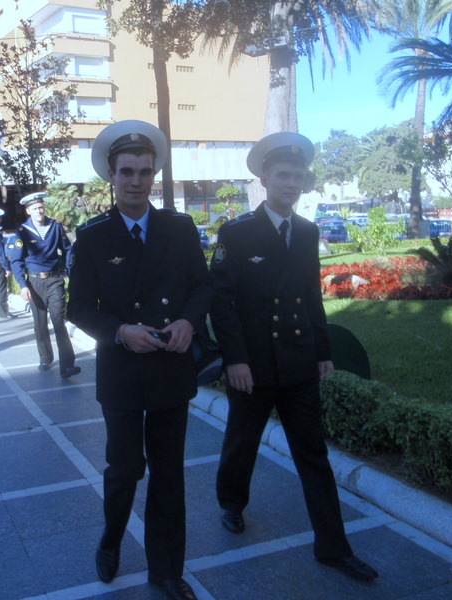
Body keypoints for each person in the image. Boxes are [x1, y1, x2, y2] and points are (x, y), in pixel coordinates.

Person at [209, 132, 379, 582]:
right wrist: (234, 359)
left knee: (313, 454)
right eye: (283, 176)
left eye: (298, 177)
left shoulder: (306, 231)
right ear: (264, 180)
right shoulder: (237, 232)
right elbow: (221, 302)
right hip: (253, 365)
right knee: (242, 440)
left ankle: (334, 547)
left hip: (299, 360)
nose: (291, 184)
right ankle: (231, 502)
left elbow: (310, 296)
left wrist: (323, 351)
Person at [67, 120, 213, 600]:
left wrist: (189, 321)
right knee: (124, 467)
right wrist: (120, 331)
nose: (136, 181)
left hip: (171, 364)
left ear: (154, 174)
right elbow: (78, 307)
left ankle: (166, 570)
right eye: (126, 171)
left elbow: (202, 286)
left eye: (145, 172)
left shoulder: (179, 228)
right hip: (122, 370)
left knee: (169, 473)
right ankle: (111, 539)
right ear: (110, 175)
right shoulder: (93, 237)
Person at [10, 191, 80, 379]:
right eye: (35, 208)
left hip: (55, 280)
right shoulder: (23, 231)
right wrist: (23, 285)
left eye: (41, 207)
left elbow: (67, 249)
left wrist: (68, 270)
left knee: (58, 321)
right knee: (40, 324)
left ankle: (67, 366)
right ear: (28, 211)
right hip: (34, 283)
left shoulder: (55, 226)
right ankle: (45, 358)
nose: (39, 211)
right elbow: (16, 260)